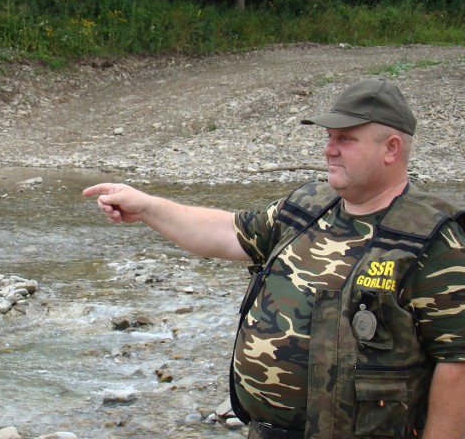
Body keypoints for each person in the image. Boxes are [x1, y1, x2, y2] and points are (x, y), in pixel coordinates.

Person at [82, 78, 465, 439]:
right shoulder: (308, 206)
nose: (328, 149)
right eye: (329, 137)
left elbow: (457, 367)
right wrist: (148, 207)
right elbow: (228, 232)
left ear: (391, 148)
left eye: (345, 139)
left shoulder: (433, 241)